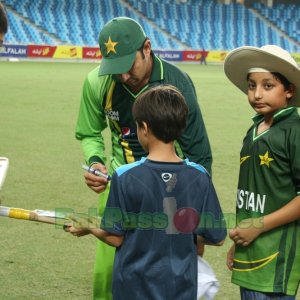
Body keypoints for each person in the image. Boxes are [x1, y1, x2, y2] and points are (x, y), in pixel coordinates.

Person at [75, 17, 213, 299]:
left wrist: (196, 228)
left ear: (147, 48)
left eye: (128, 66)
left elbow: (199, 153)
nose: (123, 77)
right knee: (107, 276)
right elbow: (89, 132)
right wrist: (95, 161)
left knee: (166, 274)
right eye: (115, 69)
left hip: (171, 192)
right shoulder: (97, 82)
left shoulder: (177, 84)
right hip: (119, 186)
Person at [69, 85, 226, 300]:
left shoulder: (124, 175)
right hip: (181, 289)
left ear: (144, 127)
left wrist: (88, 225)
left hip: (133, 289)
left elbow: (116, 238)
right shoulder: (199, 176)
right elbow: (216, 238)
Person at [223, 45, 300, 299]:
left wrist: (258, 226)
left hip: (276, 258)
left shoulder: (294, 131)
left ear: (289, 90)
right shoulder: (253, 131)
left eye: (268, 86)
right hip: (251, 252)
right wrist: (239, 244)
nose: (257, 94)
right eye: (251, 85)